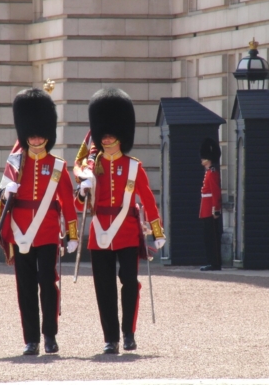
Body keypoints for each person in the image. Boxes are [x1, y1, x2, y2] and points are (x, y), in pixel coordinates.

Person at [75, 87, 166, 354]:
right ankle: (110, 338)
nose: (107, 138)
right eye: (104, 133)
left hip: (126, 231)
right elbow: (78, 204)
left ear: (121, 136)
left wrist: (157, 231)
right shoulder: (91, 167)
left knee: (128, 283)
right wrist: (82, 189)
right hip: (99, 230)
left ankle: (128, 332)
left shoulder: (133, 166)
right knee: (104, 288)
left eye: (112, 133)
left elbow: (147, 200)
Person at [0, 88, 78, 356]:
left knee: (47, 283)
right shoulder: (15, 165)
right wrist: (5, 191)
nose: (36, 138)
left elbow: (68, 203)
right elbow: (2, 197)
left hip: (47, 232)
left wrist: (73, 235)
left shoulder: (57, 166)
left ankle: (50, 335)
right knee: (25, 289)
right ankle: (30, 339)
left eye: (40, 133)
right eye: (31, 133)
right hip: (21, 232)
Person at [199, 137, 223, 271]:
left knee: (212, 238)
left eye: (204, 157)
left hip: (210, 210)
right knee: (208, 238)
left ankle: (215, 263)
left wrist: (216, 209)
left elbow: (216, 192)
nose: (201, 159)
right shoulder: (209, 172)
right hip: (206, 209)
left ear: (209, 158)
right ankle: (212, 262)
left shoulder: (212, 173)